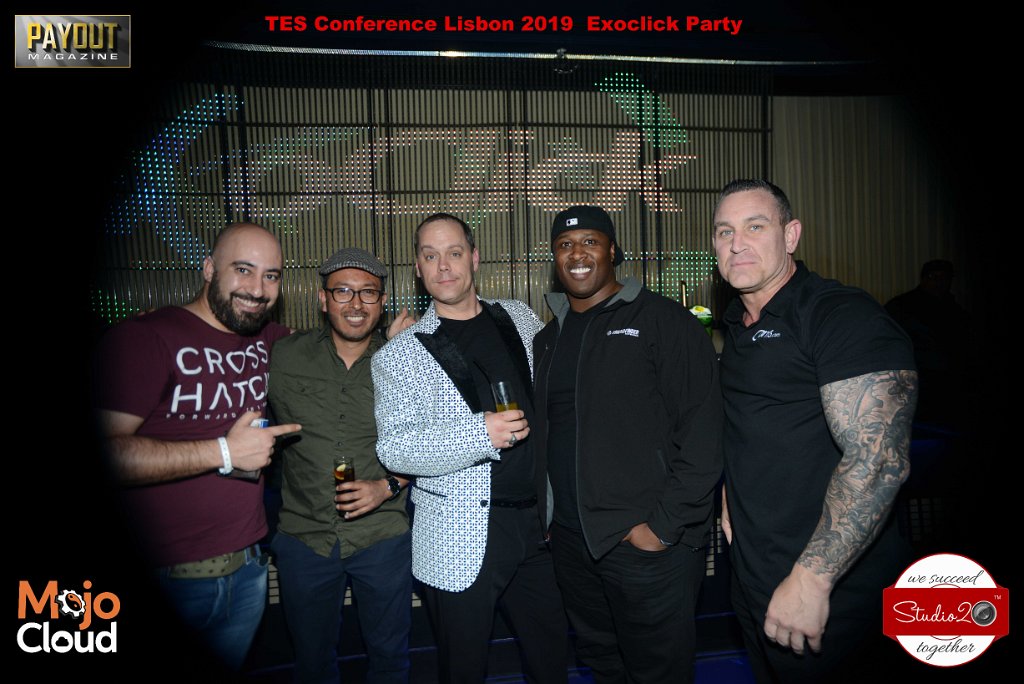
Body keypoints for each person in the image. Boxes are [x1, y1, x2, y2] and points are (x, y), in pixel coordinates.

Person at [713, 180, 918, 682]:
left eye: (755, 226)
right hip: (755, 578)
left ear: (791, 235)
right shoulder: (736, 324)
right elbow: (753, 425)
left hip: (833, 592)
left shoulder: (840, 313)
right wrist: (728, 493)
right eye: (724, 231)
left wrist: (812, 580)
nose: (737, 243)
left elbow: (878, 459)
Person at [96, 223, 302, 670]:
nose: (257, 289)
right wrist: (224, 452)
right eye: (243, 270)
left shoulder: (269, 340)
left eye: (270, 275)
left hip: (247, 570)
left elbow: (333, 345)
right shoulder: (146, 337)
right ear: (209, 268)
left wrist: (395, 340)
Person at [372, 213, 568, 683]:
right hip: (459, 537)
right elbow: (395, 449)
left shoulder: (519, 316)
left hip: (538, 527)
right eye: (430, 256)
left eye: (454, 253)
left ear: (474, 258)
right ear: (417, 267)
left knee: (552, 662)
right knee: (463, 669)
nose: (443, 266)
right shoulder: (397, 355)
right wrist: (479, 434)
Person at [532, 205, 723, 683]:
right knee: (602, 663)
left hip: (644, 543)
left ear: (612, 250)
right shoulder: (548, 338)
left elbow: (704, 431)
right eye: (564, 245)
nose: (577, 254)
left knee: (658, 671)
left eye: (590, 242)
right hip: (572, 543)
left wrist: (663, 528)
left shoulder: (662, 320)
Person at [268, 247, 413, 684]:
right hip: (305, 538)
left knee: (390, 661)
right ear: (322, 298)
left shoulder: (403, 360)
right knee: (312, 664)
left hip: (382, 537)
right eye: (343, 291)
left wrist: (388, 485)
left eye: (368, 293)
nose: (356, 304)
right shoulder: (283, 355)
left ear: (382, 301)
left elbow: (434, 439)